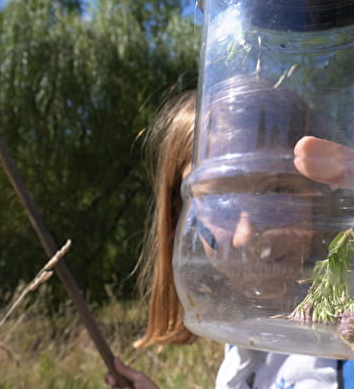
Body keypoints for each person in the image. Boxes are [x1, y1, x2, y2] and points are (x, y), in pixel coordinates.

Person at [104, 77, 354, 389]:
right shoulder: (241, 343)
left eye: (278, 191)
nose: (246, 236)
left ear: (321, 192)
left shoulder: (345, 343)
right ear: (181, 214)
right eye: (218, 201)